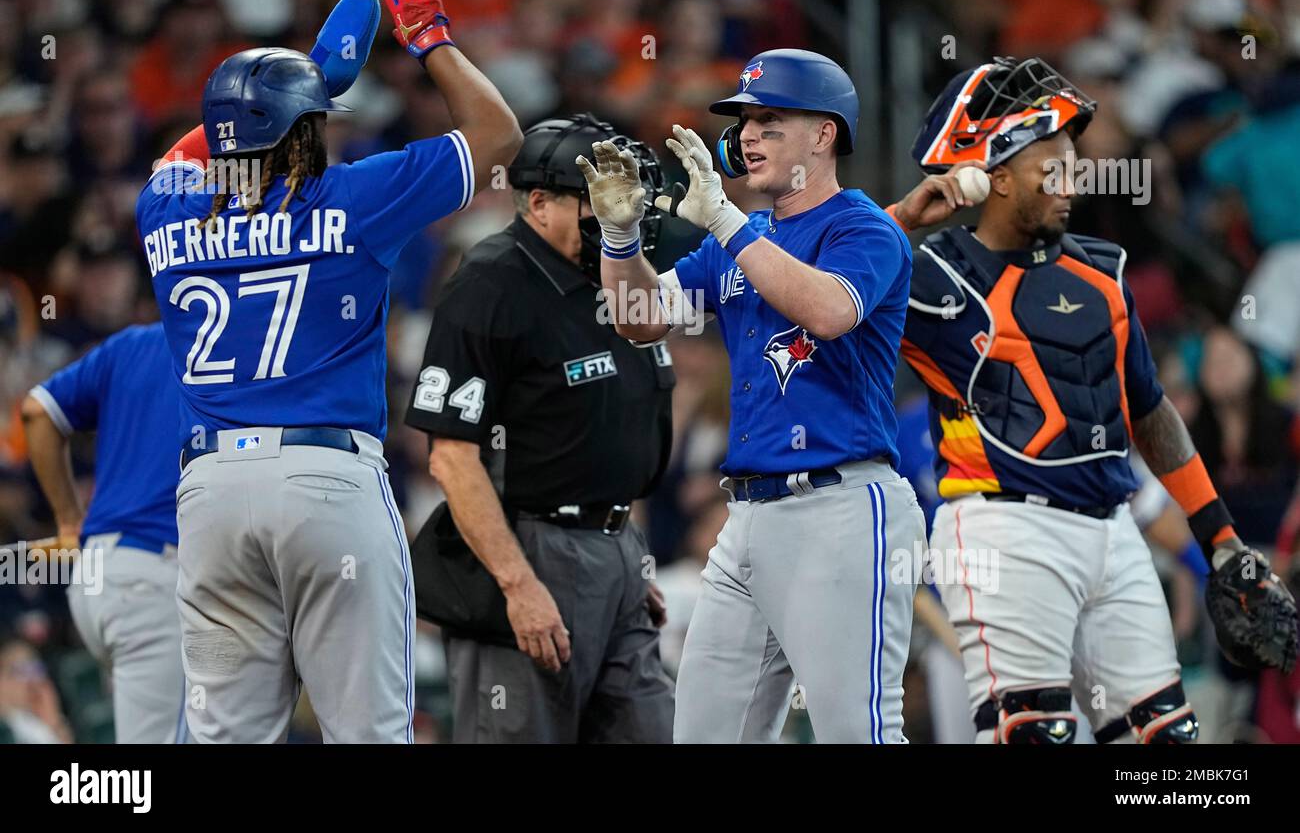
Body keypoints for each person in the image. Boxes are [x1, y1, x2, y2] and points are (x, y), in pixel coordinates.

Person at [134, 0, 522, 743]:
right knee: (370, 731)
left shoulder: (162, 209)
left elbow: (192, 153)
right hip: (324, 480)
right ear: (307, 129)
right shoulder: (353, 194)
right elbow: (498, 133)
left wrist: (301, 80)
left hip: (209, 493)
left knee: (227, 737)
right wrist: (429, 37)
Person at [888, 55, 1297, 743]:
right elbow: (815, 301)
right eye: (1052, 168)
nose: (1071, 181)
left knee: (1165, 745)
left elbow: (1150, 411)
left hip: (1115, 532)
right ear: (996, 176)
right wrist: (900, 218)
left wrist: (1221, 540)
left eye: (1074, 164)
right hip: (1002, 531)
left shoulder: (1102, 271)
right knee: (1034, 735)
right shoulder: (932, 275)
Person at [582, 48, 926, 743]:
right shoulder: (741, 238)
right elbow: (640, 316)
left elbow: (829, 311)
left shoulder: (864, 226)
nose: (747, 136)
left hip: (842, 506)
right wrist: (620, 239)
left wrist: (726, 225)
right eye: (744, 122)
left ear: (824, 134)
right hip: (747, 518)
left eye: (770, 120)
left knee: (856, 731)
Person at [405, 113, 678, 743]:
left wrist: (624, 555)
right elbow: (451, 457)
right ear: (538, 201)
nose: (621, 211)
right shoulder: (490, 283)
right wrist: (517, 584)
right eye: (600, 197)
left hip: (616, 545)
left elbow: (605, 432)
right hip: (529, 548)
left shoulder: (618, 275)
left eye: (629, 195)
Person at [21, 322, 186, 742]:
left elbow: (38, 410)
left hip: (99, 573)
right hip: (154, 579)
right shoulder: (242, 339)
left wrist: (67, 521)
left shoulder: (132, 343)